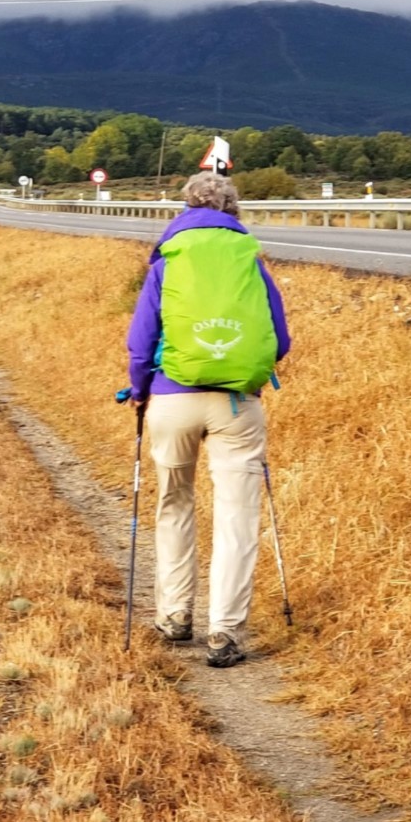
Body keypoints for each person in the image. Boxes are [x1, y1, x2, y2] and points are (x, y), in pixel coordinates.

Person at [124, 169, 290, 668]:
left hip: (172, 400)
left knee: (174, 503)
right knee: (238, 516)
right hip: (237, 403)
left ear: (185, 208)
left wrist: (139, 389)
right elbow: (279, 339)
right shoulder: (250, 261)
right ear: (232, 210)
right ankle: (226, 632)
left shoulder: (168, 261)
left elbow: (140, 338)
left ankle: (175, 615)